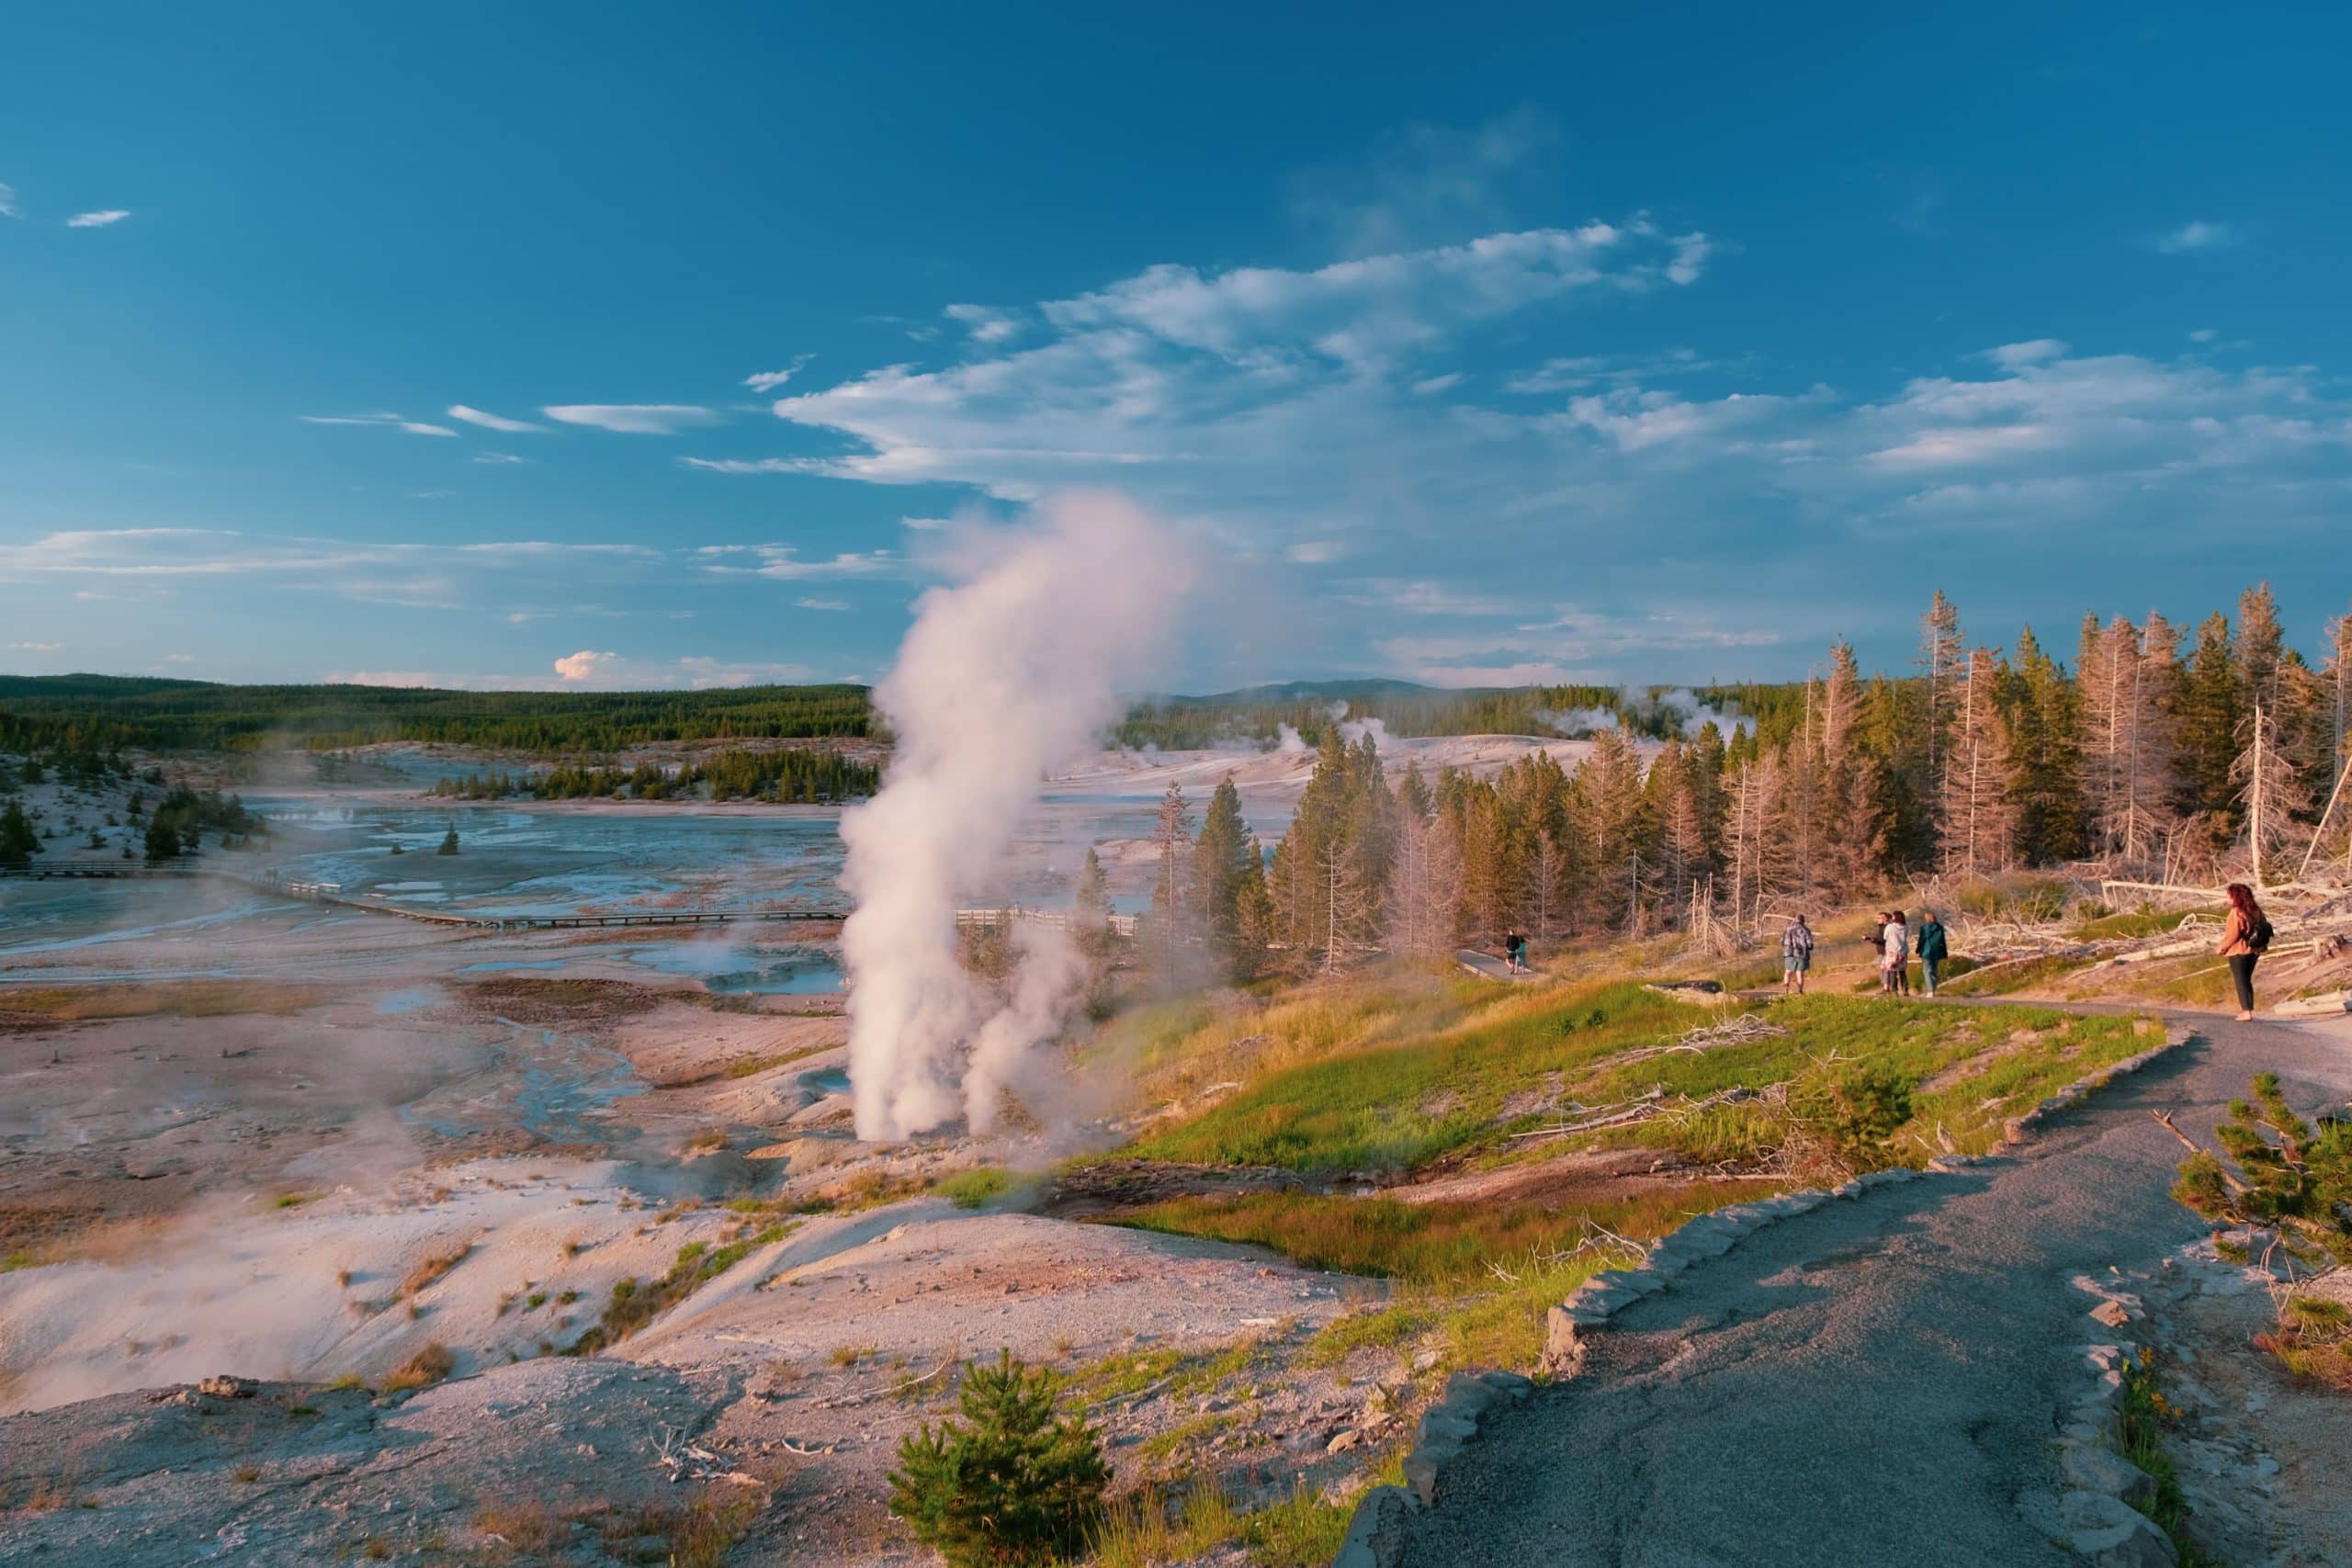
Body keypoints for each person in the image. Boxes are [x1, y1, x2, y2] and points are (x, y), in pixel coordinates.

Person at [2219, 882, 2271, 1021]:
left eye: (2229, 895)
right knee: (2246, 980)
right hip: (2255, 949)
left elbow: (2233, 934)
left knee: (2240, 980)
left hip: (2239, 950)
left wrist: (2222, 948)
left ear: (2235, 896)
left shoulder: (2236, 912)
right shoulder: (2256, 910)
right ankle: (2248, 1009)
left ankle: (2246, 1011)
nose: (2228, 898)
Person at [1916, 910, 1949, 997]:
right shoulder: (1940, 927)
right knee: (1934, 970)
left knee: (1926, 970)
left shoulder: (1924, 928)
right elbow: (1943, 941)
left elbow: (1921, 940)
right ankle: (1933, 989)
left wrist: (1918, 949)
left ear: (1927, 918)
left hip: (1926, 951)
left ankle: (1930, 991)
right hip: (1937, 951)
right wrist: (1945, 952)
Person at [1781, 915, 1815, 994]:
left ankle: (1786, 988)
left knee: (1788, 972)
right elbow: (1810, 945)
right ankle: (1800, 991)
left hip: (1789, 953)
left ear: (1795, 920)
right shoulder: (1806, 930)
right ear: (1803, 921)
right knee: (1799, 973)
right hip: (1802, 954)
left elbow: (1782, 942)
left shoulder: (1788, 929)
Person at [1882, 910, 1911, 996]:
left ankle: (1894, 990)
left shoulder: (1890, 927)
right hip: (1903, 951)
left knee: (1892, 971)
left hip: (1891, 951)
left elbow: (1885, 937)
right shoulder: (1905, 927)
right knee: (1902, 971)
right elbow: (1905, 937)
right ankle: (1905, 989)